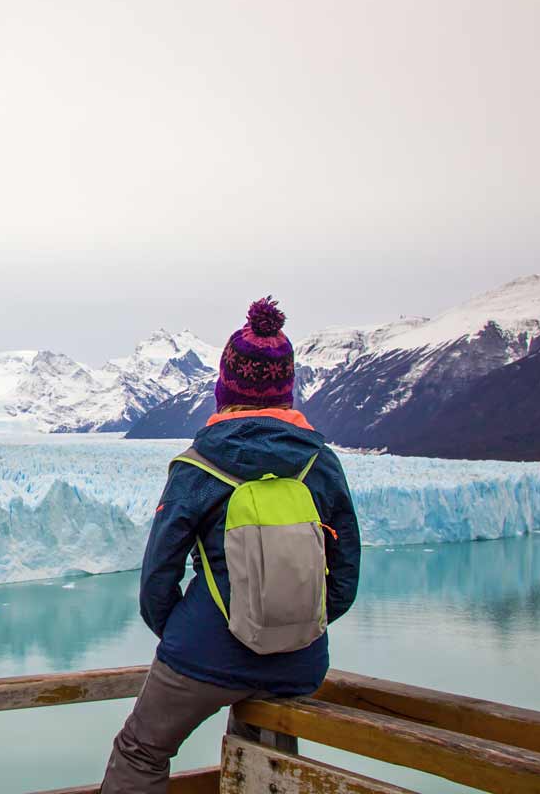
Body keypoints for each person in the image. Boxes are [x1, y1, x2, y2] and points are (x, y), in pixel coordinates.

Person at [100, 297, 361, 793]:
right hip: (300, 660)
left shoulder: (197, 466)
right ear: (287, 390)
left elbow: (159, 574)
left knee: (141, 749)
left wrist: (183, 633)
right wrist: (299, 629)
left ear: (225, 387)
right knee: (265, 751)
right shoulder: (321, 464)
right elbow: (344, 572)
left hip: (204, 652)